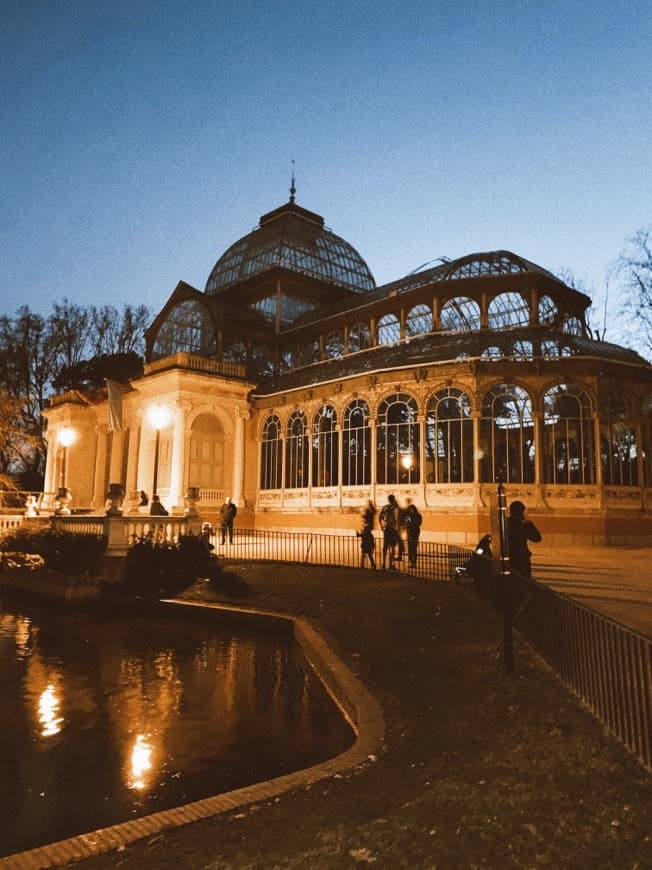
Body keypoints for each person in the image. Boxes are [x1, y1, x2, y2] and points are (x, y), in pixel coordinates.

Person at [507, 501, 541, 578]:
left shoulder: (505, 523)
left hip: (509, 557)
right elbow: (537, 538)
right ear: (522, 512)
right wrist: (529, 523)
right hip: (521, 558)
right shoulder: (524, 524)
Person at [379, 494, 401, 570]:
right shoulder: (395, 508)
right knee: (392, 547)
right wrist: (397, 530)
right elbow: (397, 520)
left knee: (385, 547)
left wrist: (382, 527)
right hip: (393, 529)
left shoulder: (385, 507)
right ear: (394, 499)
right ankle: (391, 564)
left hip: (386, 529)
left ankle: (383, 563)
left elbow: (380, 517)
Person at [357, 500, 376, 569]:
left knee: (364, 555)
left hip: (364, 545)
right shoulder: (369, 534)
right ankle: (372, 565)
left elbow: (360, 535)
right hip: (366, 545)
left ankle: (363, 565)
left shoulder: (368, 512)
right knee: (368, 555)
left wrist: (358, 533)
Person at [404, 502, 422, 569]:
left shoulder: (417, 516)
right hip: (410, 532)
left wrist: (410, 525)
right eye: (410, 509)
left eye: (412, 509)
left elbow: (419, 523)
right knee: (410, 548)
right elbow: (406, 523)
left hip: (415, 532)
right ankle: (411, 562)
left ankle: (414, 562)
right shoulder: (409, 516)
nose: (411, 511)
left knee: (414, 548)